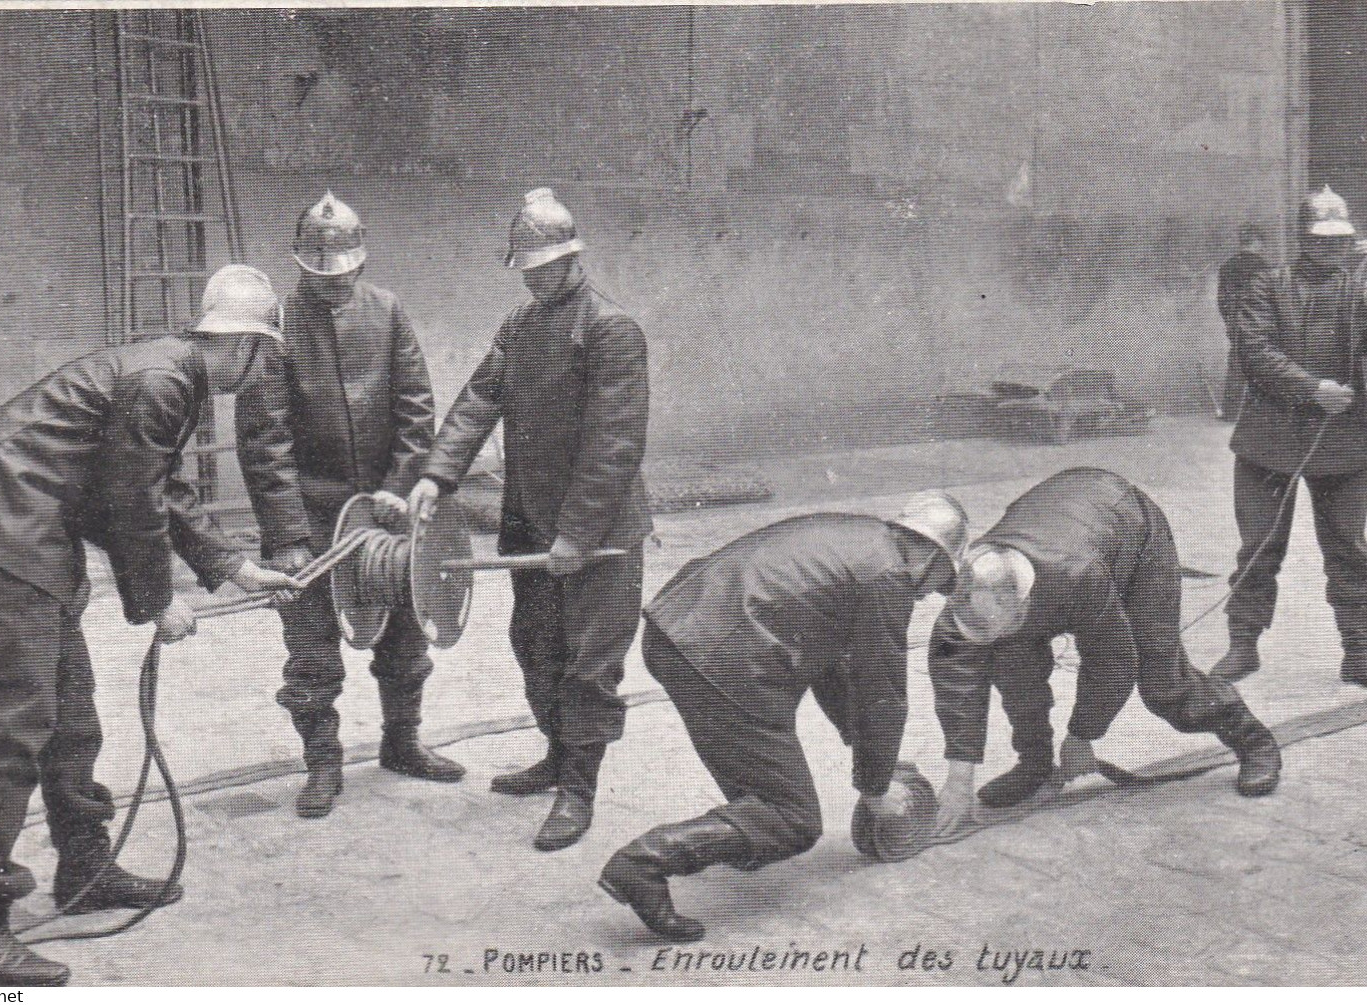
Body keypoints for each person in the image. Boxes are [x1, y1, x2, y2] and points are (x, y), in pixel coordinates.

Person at [0, 266, 302, 986]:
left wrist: (234, 568)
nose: (264, 371)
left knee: (72, 712)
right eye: (266, 356)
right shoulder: (165, 381)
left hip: (26, 520)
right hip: (8, 518)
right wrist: (156, 603)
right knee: (13, 726)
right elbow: (131, 501)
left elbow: (159, 488)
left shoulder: (172, 372)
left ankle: (84, 868)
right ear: (244, 346)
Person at [597, 492, 968, 941]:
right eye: (939, 582)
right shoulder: (888, 577)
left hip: (677, 629)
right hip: (721, 659)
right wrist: (875, 789)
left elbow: (833, 661)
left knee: (764, 789)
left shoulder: (857, 532)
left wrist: (863, 750)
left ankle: (738, 841)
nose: (930, 595)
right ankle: (642, 865)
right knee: (793, 819)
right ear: (930, 554)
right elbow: (881, 693)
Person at [409, 188, 652, 851]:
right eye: (526, 269)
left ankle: (579, 790)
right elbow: (478, 399)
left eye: (542, 267)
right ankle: (555, 756)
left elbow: (614, 445)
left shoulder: (609, 329)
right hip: (530, 524)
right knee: (536, 651)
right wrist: (436, 475)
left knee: (589, 666)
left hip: (597, 535)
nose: (533, 279)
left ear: (571, 259)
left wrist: (578, 531)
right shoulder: (519, 326)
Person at [237, 192, 459, 820]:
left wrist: (400, 483)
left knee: (407, 636)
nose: (333, 286)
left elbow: (417, 408)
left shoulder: (388, 313)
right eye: (319, 276)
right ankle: (323, 765)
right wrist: (286, 538)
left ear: (361, 265)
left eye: (343, 274)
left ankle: (402, 743)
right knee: (310, 653)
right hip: (309, 516)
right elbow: (265, 442)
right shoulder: (275, 327)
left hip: (387, 512)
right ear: (300, 268)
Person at [927, 469, 1283, 832]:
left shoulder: (1076, 578)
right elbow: (958, 690)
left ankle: (1251, 739)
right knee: (1012, 663)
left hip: (1130, 526)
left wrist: (1083, 735)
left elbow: (1113, 662)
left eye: (1004, 625)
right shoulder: (972, 590)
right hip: (1061, 516)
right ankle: (1035, 765)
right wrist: (959, 779)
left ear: (1025, 605)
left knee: (1162, 681)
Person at [1212, 186, 1367, 693]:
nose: (1332, 249)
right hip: (1268, 439)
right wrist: (1312, 388)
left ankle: (1360, 652)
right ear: (1302, 238)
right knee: (1258, 547)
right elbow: (1253, 352)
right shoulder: (1264, 285)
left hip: (1340, 441)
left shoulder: (1359, 287)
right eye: (1321, 240)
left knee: (1348, 550)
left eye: (1340, 240)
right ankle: (1243, 644)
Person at [1217, 223, 1272, 419]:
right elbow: (1269, 299)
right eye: (1262, 242)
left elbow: (1222, 301)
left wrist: (1231, 321)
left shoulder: (1226, 268)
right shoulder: (1264, 268)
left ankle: (1231, 411)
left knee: (1237, 364)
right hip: (1259, 323)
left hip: (1236, 323)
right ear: (1257, 242)